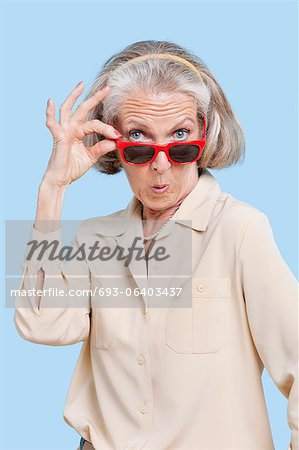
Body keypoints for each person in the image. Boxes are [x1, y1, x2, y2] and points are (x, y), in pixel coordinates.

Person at [14, 40, 298, 450]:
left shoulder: (240, 229)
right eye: (140, 143)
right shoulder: (96, 238)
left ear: (205, 133)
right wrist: (52, 188)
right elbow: (40, 325)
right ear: (114, 144)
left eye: (180, 139)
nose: (161, 165)